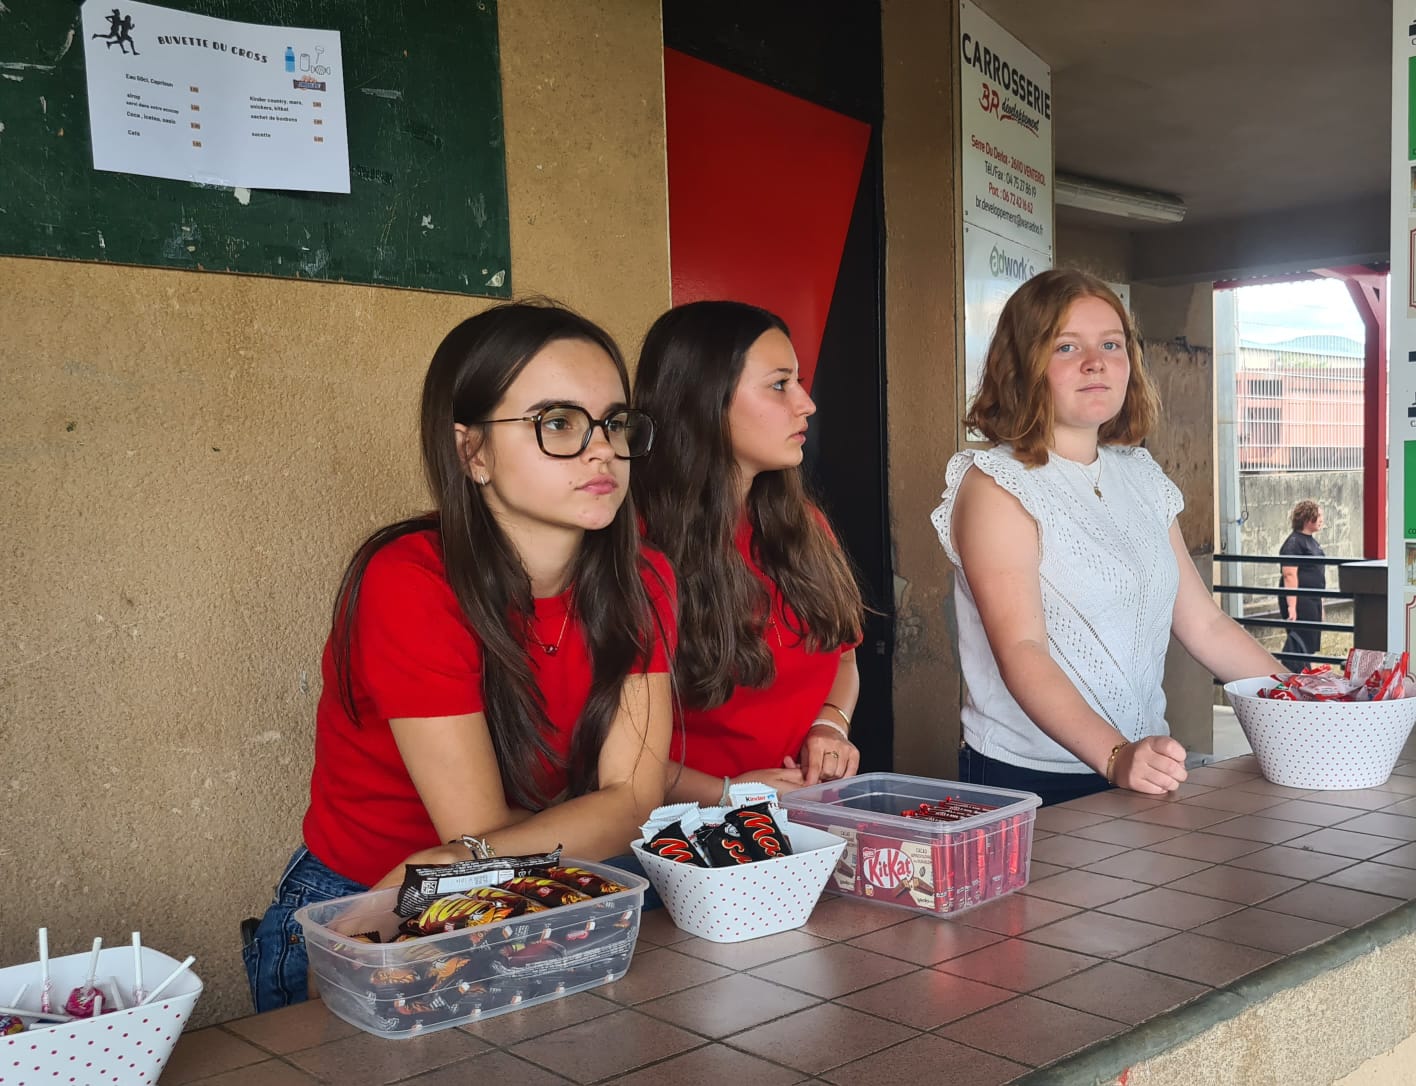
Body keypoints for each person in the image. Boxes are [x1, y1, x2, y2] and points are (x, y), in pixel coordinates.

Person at [242, 301, 677, 1011]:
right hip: (372, 910)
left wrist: (453, 860)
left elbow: (632, 801)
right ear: (472, 452)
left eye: (615, 423)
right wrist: (465, 853)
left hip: (540, 888)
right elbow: (478, 829)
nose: (601, 449)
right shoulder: (412, 579)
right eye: (558, 423)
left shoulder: (643, 577)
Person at [931, 269, 1280, 806]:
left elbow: (1205, 624)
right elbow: (1023, 650)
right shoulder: (996, 486)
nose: (1095, 362)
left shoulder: (1140, 475)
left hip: (1142, 762)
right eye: (1067, 346)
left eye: (1111, 345)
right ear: (1021, 366)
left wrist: (1302, 697)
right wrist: (1115, 755)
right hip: (1032, 778)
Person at [632, 300, 864, 803]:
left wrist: (831, 725)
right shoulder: (637, 547)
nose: (806, 403)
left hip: (799, 817)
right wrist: (727, 793)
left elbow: (843, 656)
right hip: (682, 832)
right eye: (780, 385)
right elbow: (610, 751)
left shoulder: (803, 524)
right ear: (704, 400)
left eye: (799, 382)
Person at [1278, 500, 1326, 671]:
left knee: (1310, 642)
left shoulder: (1311, 542)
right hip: (1300, 600)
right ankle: (1296, 673)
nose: (1321, 519)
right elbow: (1289, 574)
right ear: (1307, 518)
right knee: (1300, 640)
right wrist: (1292, 606)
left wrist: (1321, 605)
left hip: (1312, 599)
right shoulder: (1294, 543)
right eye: (1318, 516)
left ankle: (1306, 673)